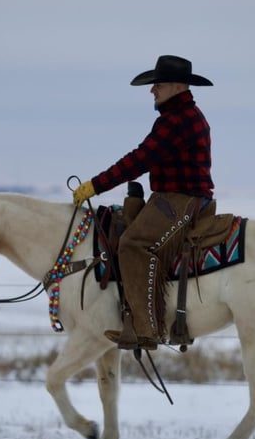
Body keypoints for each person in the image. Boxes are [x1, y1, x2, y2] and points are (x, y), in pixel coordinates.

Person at [72, 55, 215, 350]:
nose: (152, 91)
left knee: (133, 244)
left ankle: (145, 329)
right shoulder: (177, 116)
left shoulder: (179, 120)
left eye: (158, 85)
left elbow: (140, 159)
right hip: (169, 198)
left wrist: (96, 185)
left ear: (177, 86)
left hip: (182, 202)